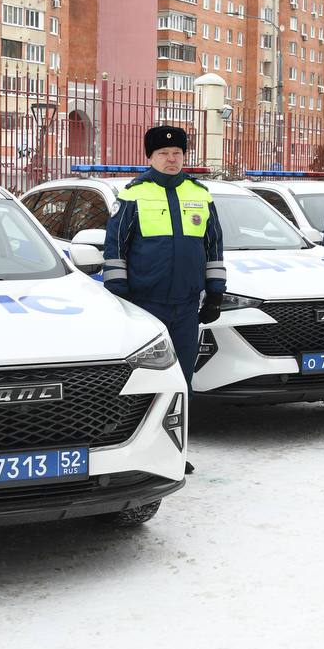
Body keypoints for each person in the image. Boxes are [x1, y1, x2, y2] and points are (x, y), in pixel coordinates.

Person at [103, 125, 226, 474]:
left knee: (181, 380)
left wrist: (215, 292)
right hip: (145, 304)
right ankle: (135, 450)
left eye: (177, 154)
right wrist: (119, 296)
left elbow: (214, 246)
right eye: (163, 154)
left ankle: (176, 451)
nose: (171, 160)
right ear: (150, 157)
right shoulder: (133, 195)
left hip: (187, 306)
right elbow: (116, 248)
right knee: (146, 381)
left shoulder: (200, 194)